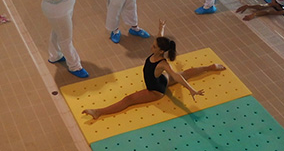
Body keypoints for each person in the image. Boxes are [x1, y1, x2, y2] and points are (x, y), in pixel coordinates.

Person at [82, 20, 225, 120]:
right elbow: (159, 37)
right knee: (187, 72)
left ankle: (98, 112)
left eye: (155, 46)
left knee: (129, 99)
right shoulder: (159, 50)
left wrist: (191, 89)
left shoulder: (163, 64)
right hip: (162, 80)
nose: (152, 47)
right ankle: (210, 67)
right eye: (154, 44)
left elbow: (176, 77)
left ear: (161, 51)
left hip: (156, 91)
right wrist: (161, 27)